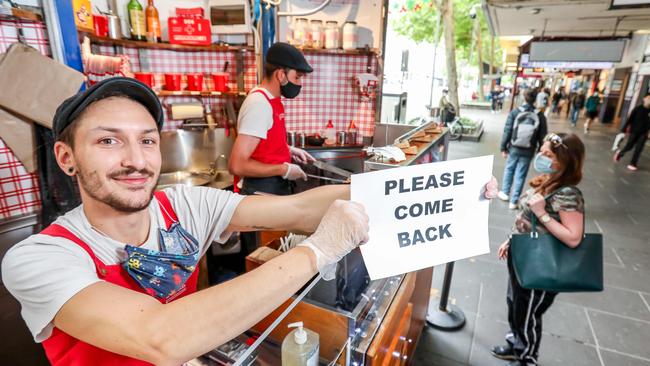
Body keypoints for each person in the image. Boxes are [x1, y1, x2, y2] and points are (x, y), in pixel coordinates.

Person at [0, 77, 369, 365]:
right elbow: (160, 337)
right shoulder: (39, 257)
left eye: (147, 141)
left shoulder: (182, 205)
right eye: (109, 142)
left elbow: (297, 211)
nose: (136, 161)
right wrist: (317, 251)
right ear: (67, 158)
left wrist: (385, 192)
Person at [493, 132, 586, 366]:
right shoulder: (548, 181)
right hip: (524, 254)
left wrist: (542, 213)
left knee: (528, 313)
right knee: (515, 304)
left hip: (542, 264)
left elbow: (574, 238)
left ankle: (527, 357)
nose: (541, 157)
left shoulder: (568, 194)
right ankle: (516, 345)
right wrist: (511, 240)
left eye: (548, 154)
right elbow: (526, 217)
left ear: (566, 160)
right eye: (541, 152)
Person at [228, 42, 315, 261]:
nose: (299, 84)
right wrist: (283, 169)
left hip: (273, 193)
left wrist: (288, 150)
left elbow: (263, 141)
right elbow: (237, 164)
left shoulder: (271, 100)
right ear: (280, 74)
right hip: (259, 197)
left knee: (276, 258)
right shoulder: (259, 103)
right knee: (262, 262)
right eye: (297, 77)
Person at [498, 89, 548, 209]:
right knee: (521, 174)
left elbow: (508, 130)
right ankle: (514, 201)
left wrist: (503, 147)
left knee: (509, 169)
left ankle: (505, 193)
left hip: (514, 147)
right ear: (535, 99)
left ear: (523, 97)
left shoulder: (515, 112)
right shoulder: (540, 115)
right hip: (528, 149)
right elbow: (543, 136)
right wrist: (541, 151)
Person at [614, 93, 650, 171]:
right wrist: (623, 130)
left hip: (644, 133)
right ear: (644, 99)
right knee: (629, 146)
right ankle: (620, 153)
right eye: (648, 98)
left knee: (639, 148)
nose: (649, 100)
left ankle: (633, 163)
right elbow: (629, 120)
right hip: (634, 131)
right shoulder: (637, 109)